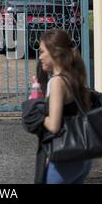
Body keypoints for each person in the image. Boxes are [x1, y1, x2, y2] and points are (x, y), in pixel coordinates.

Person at [37, 28, 92, 184]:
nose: (40, 57)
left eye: (42, 52)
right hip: (82, 157)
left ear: (54, 53)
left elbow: (54, 126)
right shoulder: (74, 76)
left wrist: (37, 115)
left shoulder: (57, 82)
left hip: (64, 159)